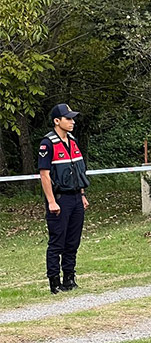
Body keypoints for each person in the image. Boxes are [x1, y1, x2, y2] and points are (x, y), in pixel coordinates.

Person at [39, 103, 90, 294]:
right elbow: (44, 175)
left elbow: (78, 170)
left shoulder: (72, 140)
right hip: (60, 199)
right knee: (57, 242)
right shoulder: (48, 143)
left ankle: (69, 278)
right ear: (57, 121)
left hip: (76, 197)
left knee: (72, 241)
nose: (72, 121)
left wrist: (82, 195)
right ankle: (54, 282)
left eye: (72, 118)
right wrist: (52, 201)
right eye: (68, 118)